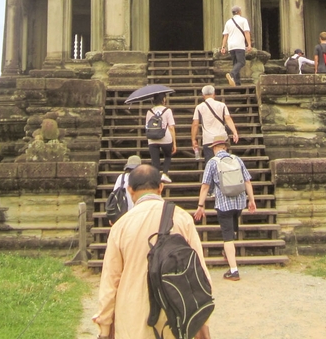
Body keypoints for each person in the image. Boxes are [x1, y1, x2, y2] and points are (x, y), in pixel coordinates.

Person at [94, 164, 210, 339]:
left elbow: (110, 281)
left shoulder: (121, 226)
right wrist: (202, 322)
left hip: (132, 317)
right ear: (161, 187)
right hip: (175, 316)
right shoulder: (181, 218)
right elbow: (201, 272)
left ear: (130, 190)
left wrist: (104, 326)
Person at [193, 134, 256, 282]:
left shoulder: (212, 163)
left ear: (215, 148)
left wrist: (200, 205)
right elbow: (247, 181)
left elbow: (205, 186)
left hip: (223, 203)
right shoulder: (237, 159)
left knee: (227, 236)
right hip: (239, 201)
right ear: (225, 147)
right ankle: (228, 252)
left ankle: (233, 270)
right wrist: (251, 200)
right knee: (232, 230)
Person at [191, 85, 239, 162]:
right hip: (221, 138)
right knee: (223, 162)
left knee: (210, 162)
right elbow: (228, 118)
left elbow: (195, 124)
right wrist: (235, 132)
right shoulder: (222, 105)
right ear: (214, 94)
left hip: (208, 139)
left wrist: (193, 139)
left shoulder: (199, 107)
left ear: (203, 95)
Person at [145, 94, 176, 183]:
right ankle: (165, 174)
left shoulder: (149, 111)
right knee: (168, 155)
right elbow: (171, 127)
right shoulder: (167, 110)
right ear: (163, 99)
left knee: (155, 160)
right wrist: (174, 143)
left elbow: (147, 126)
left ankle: (156, 179)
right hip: (165, 137)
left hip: (152, 139)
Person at [220, 6, 251, 86]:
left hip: (231, 46)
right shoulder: (243, 20)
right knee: (241, 62)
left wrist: (223, 47)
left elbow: (225, 35)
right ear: (239, 12)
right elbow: (246, 32)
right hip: (239, 45)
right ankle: (232, 74)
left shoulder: (228, 22)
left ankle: (237, 83)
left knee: (235, 64)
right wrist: (249, 44)